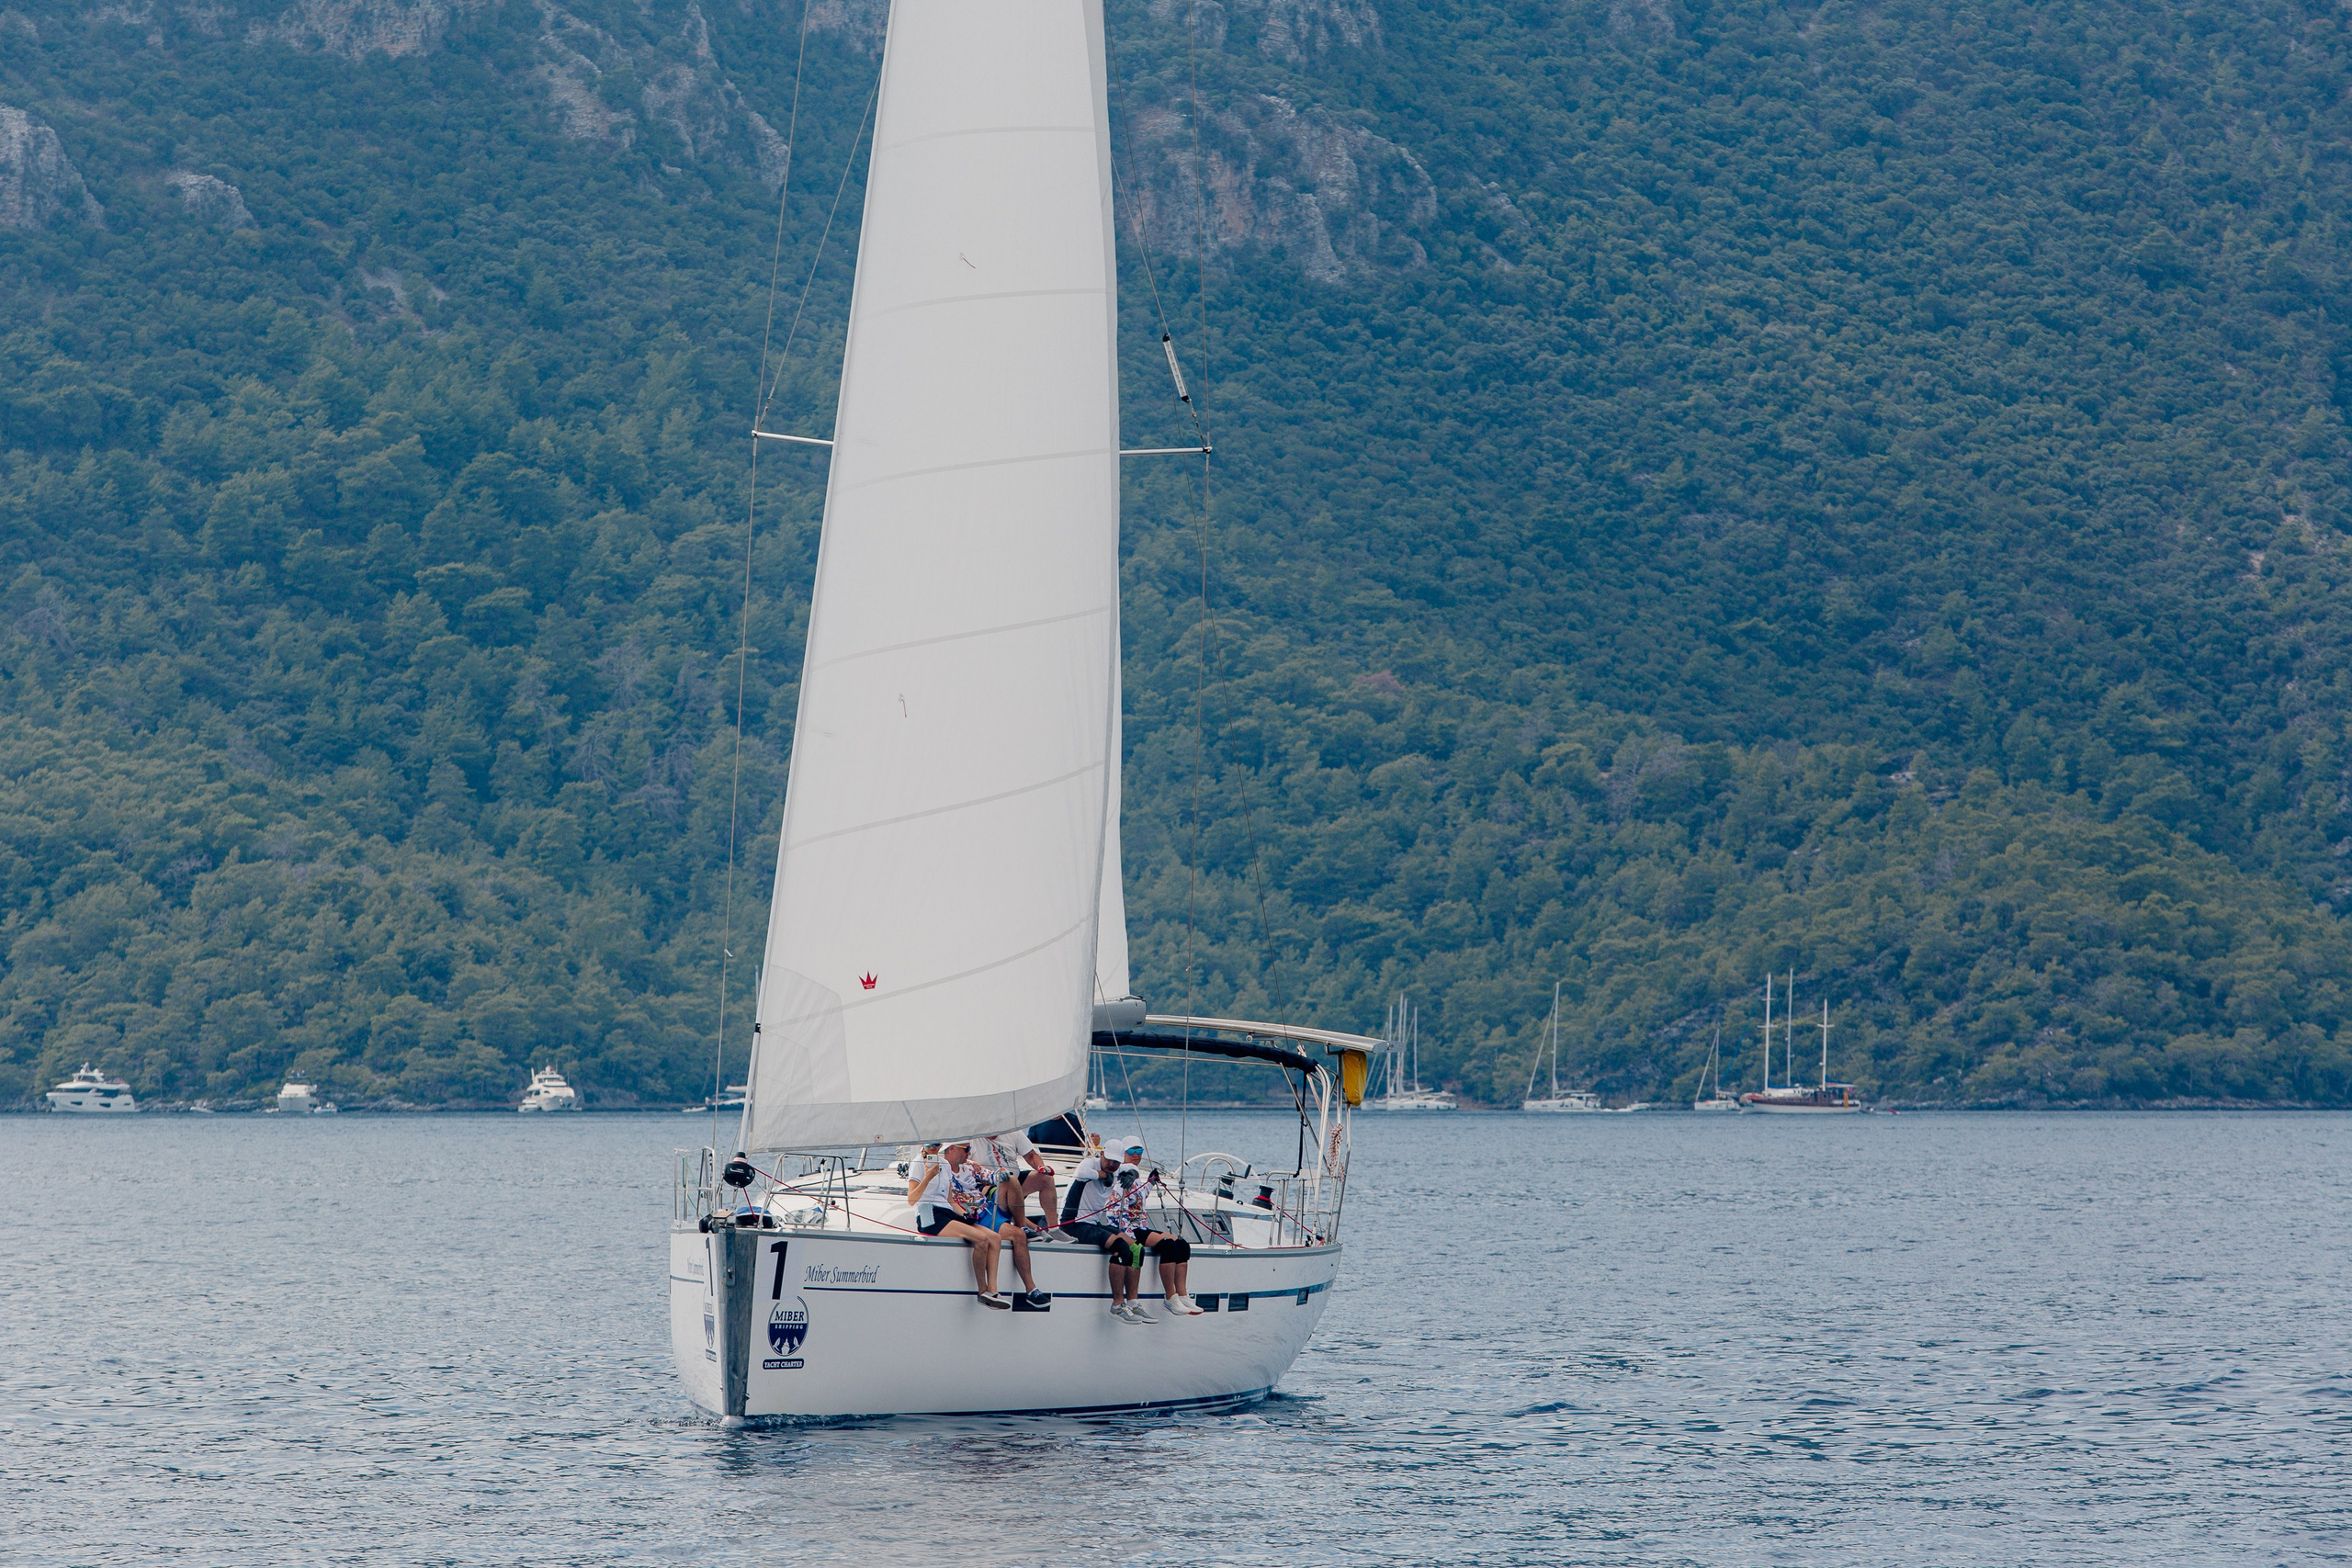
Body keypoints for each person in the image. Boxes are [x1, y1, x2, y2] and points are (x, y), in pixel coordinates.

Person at [907, 1141, 1011, 1308]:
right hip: (928, 1212)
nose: (934, 1147)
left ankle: (993, 1290)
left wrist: (966, 1214)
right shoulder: (918, 1162)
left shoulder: (945, 1164)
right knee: (981, 1239)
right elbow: (911, 1200)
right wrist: (928, 1176)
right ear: (923, 1144)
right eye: (929, 1144)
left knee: (995, 1238)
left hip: (946, 1211)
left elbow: (950, 1200)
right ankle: (982, 1292)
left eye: (937, 1143)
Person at [1061, 1137, 1146, 1323]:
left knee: (1137, 1249)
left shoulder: (1117, 1168)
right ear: (1101, 1154)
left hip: (1092, 1223)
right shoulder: (1089, 1164)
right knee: (1121, 1247)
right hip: (1072, 1223)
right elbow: (1083, 1172)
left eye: (1116, 1162)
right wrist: (1104, 1176)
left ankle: (1133, 1302)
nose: (1112, 1164)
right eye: (1108, 1160)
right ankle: (1117, 1305)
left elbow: (1136, 1169)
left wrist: (1131, 1173)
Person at [1112, 1144, 1200, 1316]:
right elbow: (1114, 1205)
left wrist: (1151, 1182)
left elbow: (1141, 1193)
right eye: (1131, 1151)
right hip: (1128, 1228)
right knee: (1168, 1246)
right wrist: (1126, 1233)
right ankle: (1170, 1297)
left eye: (1139, 1151)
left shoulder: (1135, 1178)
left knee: (1182, 1245)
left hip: (1140, 1226)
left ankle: (1182, 1294)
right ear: (1123, 1154)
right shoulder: (1122, 1175)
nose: (1136, 1155)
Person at [978, 1127, 1058, 1237]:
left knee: (1046, 1179)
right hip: (989, 1184)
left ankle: (1054, 1229)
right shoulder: (972, 1138)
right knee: (1008, 1189)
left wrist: (1041, 1166)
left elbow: (1031, 1155)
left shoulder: (1012, 1131)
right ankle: (1034, 1229)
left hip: (1015, 1178)